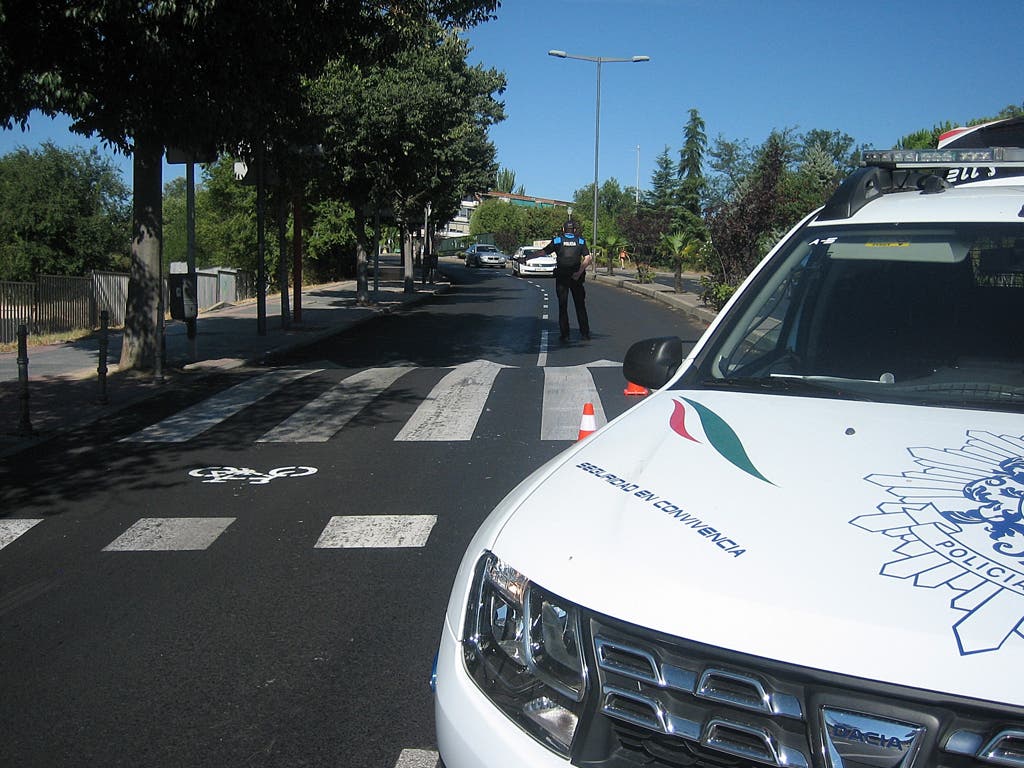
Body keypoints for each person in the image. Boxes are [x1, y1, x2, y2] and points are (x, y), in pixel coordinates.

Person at [539, 219, 593, 342]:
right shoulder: (580, 241)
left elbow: (543, 252)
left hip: (562, 277)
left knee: (563, 306)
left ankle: (565, 335)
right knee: (580, 305)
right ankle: (585, 333)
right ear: (574, 230)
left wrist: (527, 257)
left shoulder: (557, 240)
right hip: (576, 278)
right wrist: (579, 272)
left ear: (563, 230)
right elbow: (588, 258)